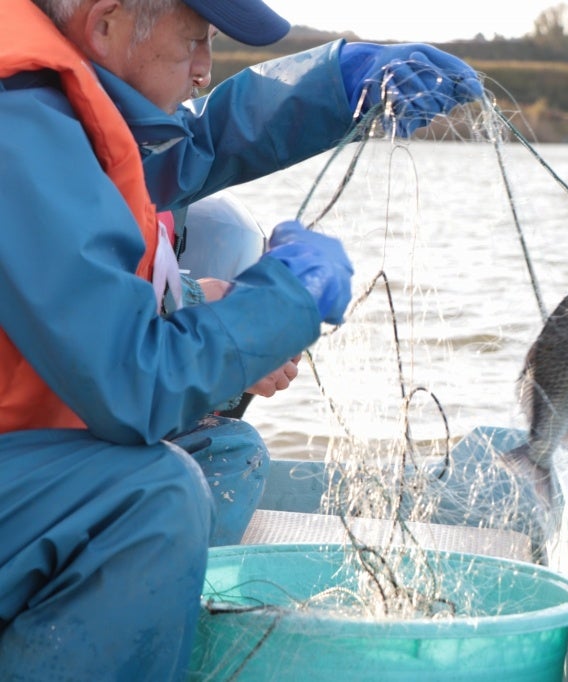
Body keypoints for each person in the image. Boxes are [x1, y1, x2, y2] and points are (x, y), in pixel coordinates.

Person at [0, 0, 484, 678]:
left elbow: (187, 149)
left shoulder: (60, 102)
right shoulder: (16, 124)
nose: (205, 71)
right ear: (106, 22)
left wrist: (339, 83)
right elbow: (132, 382)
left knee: (223, 451)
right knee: (154, 494)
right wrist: (281, 301)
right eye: (194, 42)